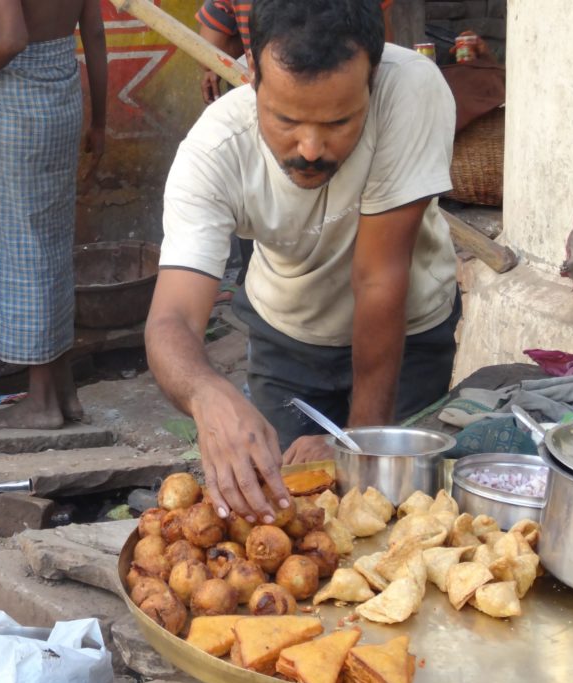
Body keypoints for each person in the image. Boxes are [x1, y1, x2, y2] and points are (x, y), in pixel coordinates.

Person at [146, 0, 459, 524]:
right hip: (288, 340)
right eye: (285, 119)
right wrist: (207, 395)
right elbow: (170, 318)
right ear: (251, 77)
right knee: (277, 514)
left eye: (339, 121)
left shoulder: (411, 89)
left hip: (406, 338)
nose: (310, 148)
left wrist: (356, 449)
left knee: (393, 516)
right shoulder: (213, 154)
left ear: (373, 78)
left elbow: (379, 278)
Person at [0, 0, 107, 429]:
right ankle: (62, 390)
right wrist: (100, 121)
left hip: (20, 105)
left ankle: (42, 401)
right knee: (48, 243)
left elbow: (12, 39)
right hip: (63, 98)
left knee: (22, 248)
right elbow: (95, 35)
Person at [196, 0, 396, 105]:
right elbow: (384, 48)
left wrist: (250, 37)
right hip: (343, 100)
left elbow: (210, 51)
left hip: (269, 101)